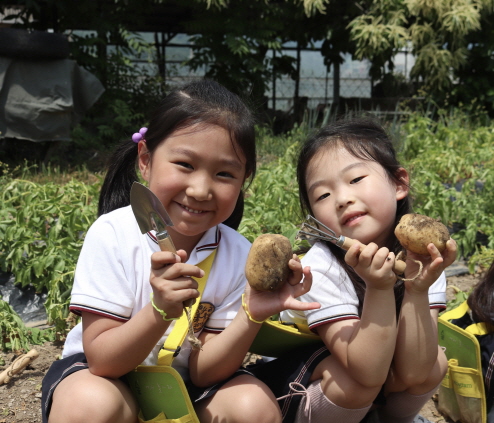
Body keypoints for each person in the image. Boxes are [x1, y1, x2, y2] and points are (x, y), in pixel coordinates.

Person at [41, 79, 319, 423]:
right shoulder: (113, 235)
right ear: (145, 159)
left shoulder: (237, 255)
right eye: (185, 165)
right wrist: (159, 309)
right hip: (104, 377)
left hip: (185, 383)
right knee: (90, 404)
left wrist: (251, 314)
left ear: (244, 180)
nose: (201, 189)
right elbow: (101, 360)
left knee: (253, 406)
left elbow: (204, 373)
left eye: (224, 174)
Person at [279, 118, 458, 423]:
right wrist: (378, 287)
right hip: (312, 379)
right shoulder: (321, 267)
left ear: (399, 184)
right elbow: (365, 369)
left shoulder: (422, 257)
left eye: (356, 179)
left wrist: (417, 289)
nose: (342, 199)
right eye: (322, 195)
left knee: (435, 363)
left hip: (375, 373)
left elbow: (415, 370)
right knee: (352, 384)